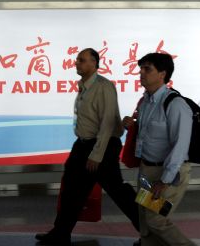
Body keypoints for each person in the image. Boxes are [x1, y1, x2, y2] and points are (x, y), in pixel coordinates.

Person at [36, 48, 140, 245]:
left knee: (118, 191)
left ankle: (149, 231)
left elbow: (108, 122)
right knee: (71, 189)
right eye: (77, 60)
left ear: (94, 63)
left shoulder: (103, 87)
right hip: (83, 145)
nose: (77, 63)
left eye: (81, 60)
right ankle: (61, 232)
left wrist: (97, 154)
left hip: (103, 146)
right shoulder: (84, 86)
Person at [122, 53, 196, 246]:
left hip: (169, 173)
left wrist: (165, 180)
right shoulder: (146, 102)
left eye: (148, 69)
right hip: (147, 171)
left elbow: (180, 145)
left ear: (162, 74)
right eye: (141, 68)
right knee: (145, 223)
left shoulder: (176, 104)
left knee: (157, 220)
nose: (141, 73)